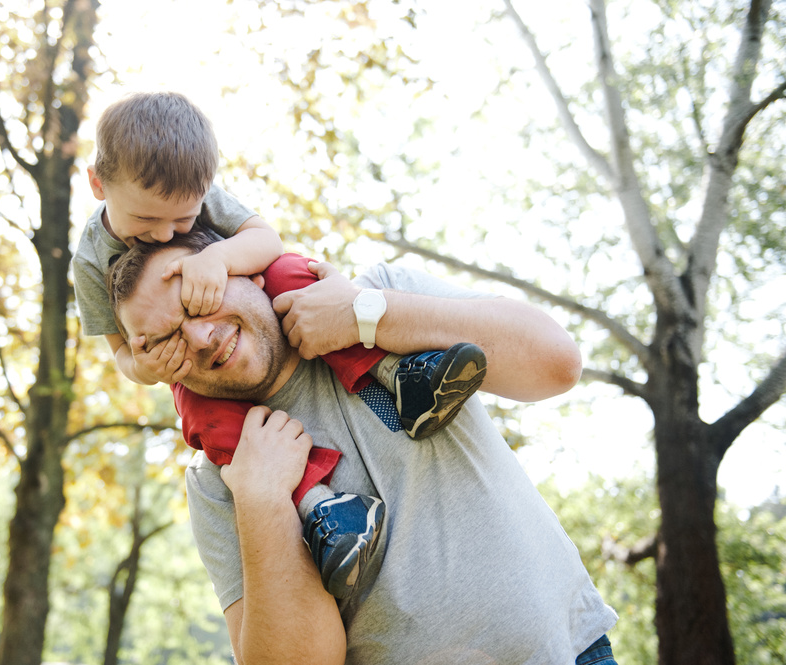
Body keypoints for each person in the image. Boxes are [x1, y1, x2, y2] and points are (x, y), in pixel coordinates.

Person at [109, 231, 620, 665]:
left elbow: (556, 363)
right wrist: (263, 502)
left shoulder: (380, 293)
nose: (198, 337)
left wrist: (365, 316)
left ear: (245, 270)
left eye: (197, 300)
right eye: (166, 340)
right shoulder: (217, 479)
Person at [73, 91, 487, 599]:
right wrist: (146, 366)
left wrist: (219, 259)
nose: (164, 235)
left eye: (182, 220)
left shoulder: (196, 193)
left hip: (243, 295)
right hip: (191, 363)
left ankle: (400, 378)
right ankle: (321, 507)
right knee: (202, 420)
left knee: (294, 272)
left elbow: (265, 241)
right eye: (146, 223)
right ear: (98, 183)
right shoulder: (90, 262)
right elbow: (120, 352)